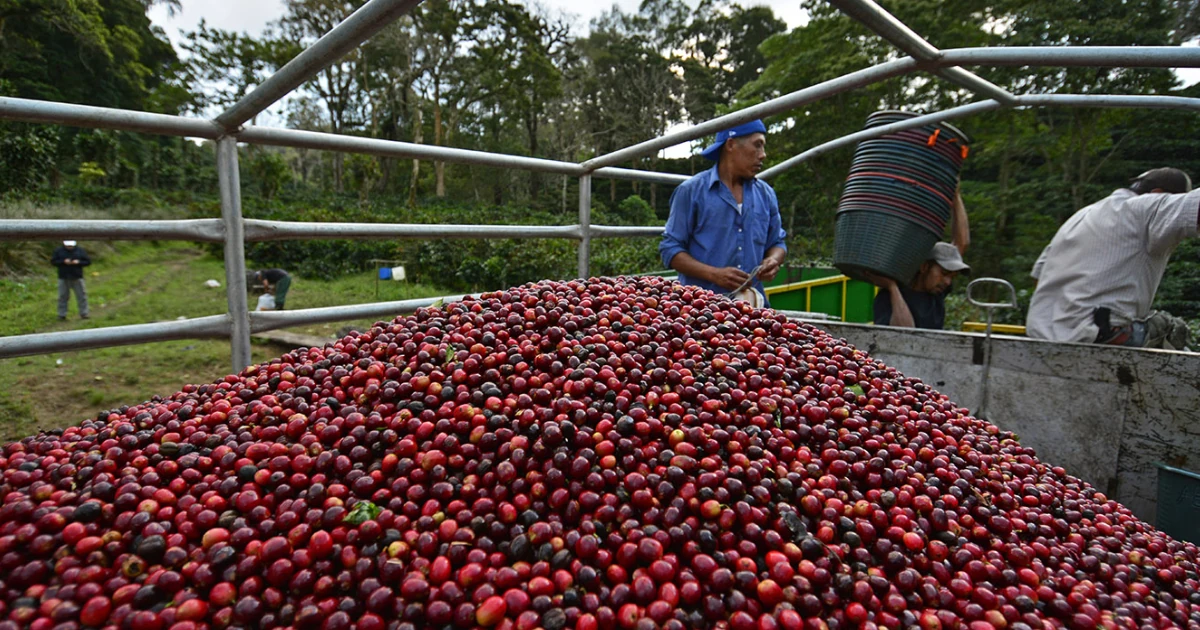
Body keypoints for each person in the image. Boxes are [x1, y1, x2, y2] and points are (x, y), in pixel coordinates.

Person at [1026, 167, 1198, 349]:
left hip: (1041, 334)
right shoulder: (1147, 206)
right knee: (1171, 331)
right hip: (1101, 334)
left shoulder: (1082, 215)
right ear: (1157, 194)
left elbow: (1039, 278)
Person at [659, 119, 787, 305]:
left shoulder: (766, 194)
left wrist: (773, 261)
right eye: (757, 146)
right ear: (731, 144)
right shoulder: (691, 192)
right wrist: (714, 274)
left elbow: (777, 243)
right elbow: (670, 249)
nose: (763, 155)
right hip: (700, 310)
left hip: (752, 310)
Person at [865, 189, 971, 329]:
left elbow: (961, 244)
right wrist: (893, 288)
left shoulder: (935, 291)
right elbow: (905, 336)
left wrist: (956, 195)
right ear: (924, 267)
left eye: (952, 276)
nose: (947, 281)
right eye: (944, 273)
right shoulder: (890, 296)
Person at [51, 240, 91, 320]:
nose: (69, 247)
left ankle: (84, 313)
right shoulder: (59, 251)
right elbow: (53, 261)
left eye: (71, 246)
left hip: (77, 277)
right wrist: (63, 262)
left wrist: (78, 262)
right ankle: (61, 314)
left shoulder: (80, 251)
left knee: (81, 296)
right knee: (62, 296)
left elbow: (87, 261)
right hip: (63, 277)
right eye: (68, 246)